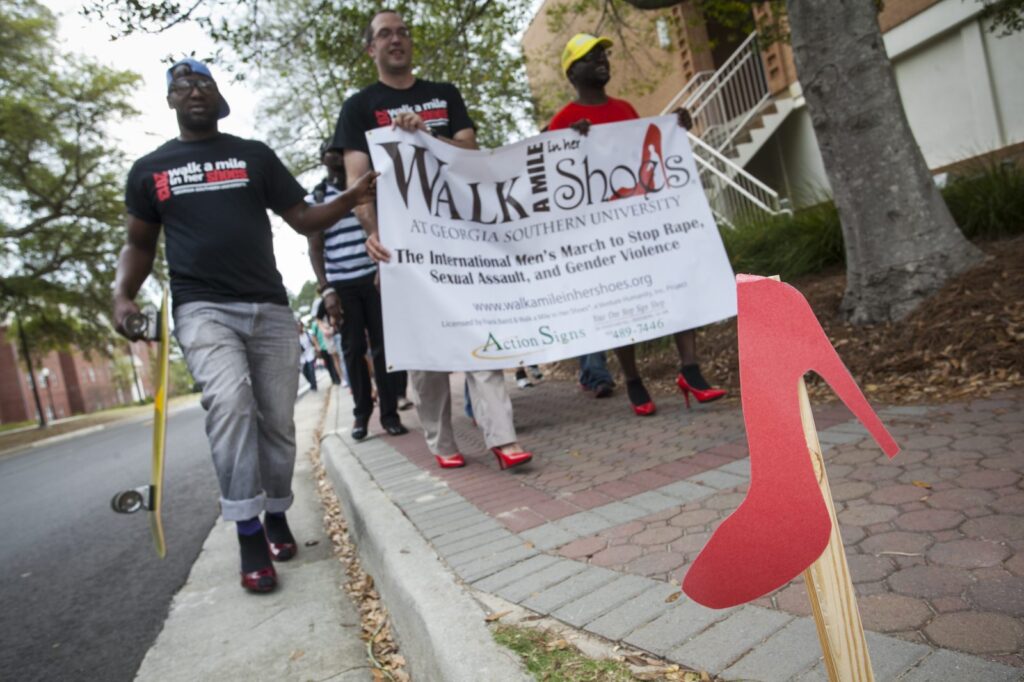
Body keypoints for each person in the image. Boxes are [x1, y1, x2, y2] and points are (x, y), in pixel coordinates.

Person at [113, 58, 377, 594]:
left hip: (270, 307)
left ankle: (276, 509)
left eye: (203, 82)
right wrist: (122, 295)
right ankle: (248, 528)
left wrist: (347, 201)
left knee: (278, 421)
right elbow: (139, 244)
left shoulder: (252, 155)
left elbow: (301, 217)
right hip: (201, 307)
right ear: (169, 101)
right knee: (230, 401)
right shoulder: (150, 170)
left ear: (218, 96)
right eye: (181, 85)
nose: (193, 90)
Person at [332, 9, 532, 471]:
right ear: (371, 48)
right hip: (405, 247)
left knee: (481, 330)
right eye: (385, 34)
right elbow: (358, 182)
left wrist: (429, 135)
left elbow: (472, 153)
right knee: (425, 350)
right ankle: (443, 443)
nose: (396, 40)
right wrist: (374, 235)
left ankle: (502, 438)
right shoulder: (359, 107)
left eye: (402, 32)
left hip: (462, 239)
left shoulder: (444, 95)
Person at [548, 34, 727, 415]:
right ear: (572, 71)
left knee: (677, 286)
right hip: (604, 239)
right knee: (622, 308)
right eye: (590, 55)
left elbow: (647, 154)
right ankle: (633, 381)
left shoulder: (626, 109)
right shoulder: (562, 121)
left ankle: (691, 371)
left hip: (642, 226)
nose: (602, 59)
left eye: (603, 54)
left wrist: (675, 128)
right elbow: (550, 175)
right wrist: (567, 141)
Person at [307, 141, 408, 440]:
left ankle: (390, 414)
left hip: (375, 277)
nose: (337, 155)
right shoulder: (317, 198)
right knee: (352, 350)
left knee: (384, 347)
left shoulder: (370, 189)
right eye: (330, 150)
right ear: (322, 158)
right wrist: (326, 290)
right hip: (342, 285)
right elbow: (315, 248)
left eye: (342, 149)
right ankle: (361, 414)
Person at [299, 321, 318, 391]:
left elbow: (314, 341)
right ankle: (312, 383)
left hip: (310, 355)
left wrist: (317, 347)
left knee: (311, 370)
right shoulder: (295, 338)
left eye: (300, 326)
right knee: (305, 372)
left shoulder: (307, 334)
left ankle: (314, 385)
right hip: (301, 358)